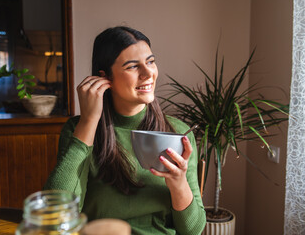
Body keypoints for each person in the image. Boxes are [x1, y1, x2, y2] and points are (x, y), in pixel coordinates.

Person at [44, 26, 206, 234]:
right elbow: (54, 215)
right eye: (132, 67)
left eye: (150, 61)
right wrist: (89, 121)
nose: (148, 73)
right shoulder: (79, 129)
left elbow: (192, 231)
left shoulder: (179, 133)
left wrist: (179, 184)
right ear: (105, 78)